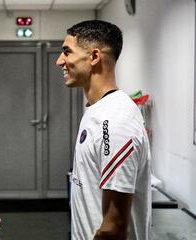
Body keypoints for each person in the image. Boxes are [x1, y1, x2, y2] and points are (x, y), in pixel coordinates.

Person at [56, 20, 151, 240]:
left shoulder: (116, 120)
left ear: (94, 57)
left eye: (67, 52)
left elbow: (113, 228)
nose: (60, 61)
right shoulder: (98, 110)